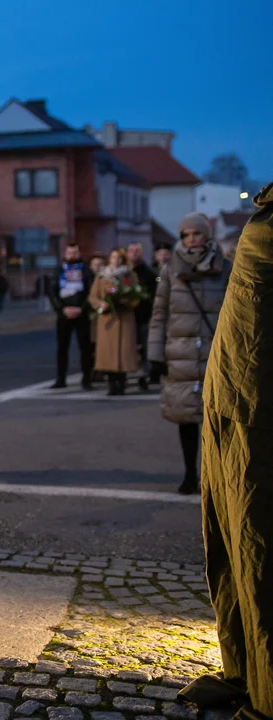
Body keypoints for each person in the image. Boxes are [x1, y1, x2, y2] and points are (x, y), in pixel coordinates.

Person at [179, 182, 273, 720]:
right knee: (231, 541)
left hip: (258, 409)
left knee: (259, 541)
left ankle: (267, 693)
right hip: (230, 396)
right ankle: (242, 669)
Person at [149, 212, 230, 495]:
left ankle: (216, 477)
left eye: (196, 234)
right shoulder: (171, 270)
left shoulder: (225, 267)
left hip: (215, 353)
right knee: (185, 418)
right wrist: (155, 357)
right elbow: (159, 315)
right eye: (186, 235)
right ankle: (189, 473)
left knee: (216, 419)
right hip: (181, 353)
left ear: (206, 235)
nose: (192, 239)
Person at [89, 249, 140, 396]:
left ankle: (122, 383)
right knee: (108, 354)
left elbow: (136, 295)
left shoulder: (129, 275)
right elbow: (93, 296)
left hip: (124, 319)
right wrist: (101, 304)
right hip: (107, 320)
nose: (115, 260)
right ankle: (111, 384)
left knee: (123, 353)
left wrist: (126, 300)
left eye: (118, 258)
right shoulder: (101, 276)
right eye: (113, 257)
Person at [48, 243, 94, 390]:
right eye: (69, 252)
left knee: (85, 348)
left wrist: (82, 309)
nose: (72, 255)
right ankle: (60, 379)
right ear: (65, 253)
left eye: (75, 252)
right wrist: (61, 309)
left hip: (82, 314)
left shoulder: (87, 271)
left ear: (79, 253)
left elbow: (92, 292)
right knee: (62, 348)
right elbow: (52, 292)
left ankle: (87, 379)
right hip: (64, 315)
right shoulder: (59, 270)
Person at [127, 243, 158, 392]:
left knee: (143, 349)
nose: (134, 254)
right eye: (131, 251)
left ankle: (143, 377)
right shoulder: (124, 272)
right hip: (126, 319)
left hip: (142, 318)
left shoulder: (148, 274)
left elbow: (154, 296)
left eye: (137, 251)